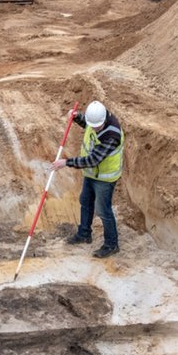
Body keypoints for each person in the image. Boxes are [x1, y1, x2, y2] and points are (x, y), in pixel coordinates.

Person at [51, 101, 125, 258]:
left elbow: (92, 160)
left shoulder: (112, 135)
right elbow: (88, 123)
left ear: (104, 120)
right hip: (92, 173)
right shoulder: (97, 119)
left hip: (105, 177)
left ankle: (111, 245)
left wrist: (66, 162)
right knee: (85, 200)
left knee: (103, 210)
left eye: (97, 126)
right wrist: (77, 117)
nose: (94, 128)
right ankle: (84, 234)